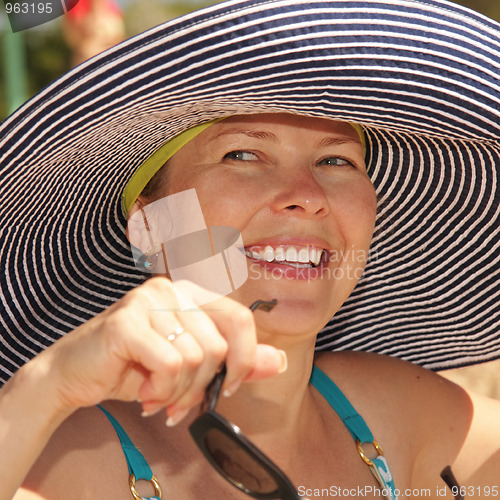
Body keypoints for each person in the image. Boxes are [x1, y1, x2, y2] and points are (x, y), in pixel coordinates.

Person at [0, 1, 499, 499]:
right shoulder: (56, 459)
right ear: (149, 228)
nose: (307, 195)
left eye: (336, 160)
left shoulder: (402, 417)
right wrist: (47, 385)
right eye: (242, 154)